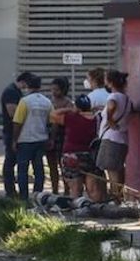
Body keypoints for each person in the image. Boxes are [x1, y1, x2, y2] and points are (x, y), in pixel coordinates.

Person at [52, 94, 99, 201]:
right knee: (92, 189)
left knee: (75, 189)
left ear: (77, 107)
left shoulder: (71, 118)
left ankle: (76, 207)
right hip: (90, 156)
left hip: (71, 154)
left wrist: (69, 108)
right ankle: (94, 208)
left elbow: (53, 114)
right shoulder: (96, 119)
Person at [13, 73, 52, 201]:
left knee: (23, 170)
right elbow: (52, 122)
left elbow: (18, 122)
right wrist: (50, 138)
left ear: (28, 85)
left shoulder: (24, 102)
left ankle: (23, 197)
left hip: (25, 140)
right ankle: (37, 195)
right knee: (39, 169)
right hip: (41, 139)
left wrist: (14, 140)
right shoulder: (47, 102)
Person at [97, 70, 131, 204]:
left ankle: (115, 197)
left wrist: (110, 119)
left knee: (111, 169)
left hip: (111, 137)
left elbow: (111, 106)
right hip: (122, 137)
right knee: (118, 168)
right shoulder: (126, 98)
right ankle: (119, 196)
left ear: (110, 82)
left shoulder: (113, 97)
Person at [0, 73, 29, 198]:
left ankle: (11, 190)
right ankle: (10, 190)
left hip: (16, 130)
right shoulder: (11, 92)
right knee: (10, 161)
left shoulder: (15, 91)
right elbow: (12, 113)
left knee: (13, 161)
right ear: (23, 82)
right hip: (11, 131)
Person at [84, 67, 111, 200]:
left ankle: (97, 194)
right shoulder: (108, 95)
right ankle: (106, 193)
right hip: (108, 134)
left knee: (95, 167)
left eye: (88, 79)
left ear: (93, 80)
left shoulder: (92, 97)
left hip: (94, 136)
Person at [46, 77, 73, 195]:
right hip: (49, 134)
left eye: (56, 90)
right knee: (52, 165)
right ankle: (55, 189)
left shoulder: (68, 103)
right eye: (52, 89)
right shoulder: (49, 102)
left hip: (63, 137)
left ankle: (67, 190)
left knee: (64, 166)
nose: (53, 92)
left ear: (63, 90)